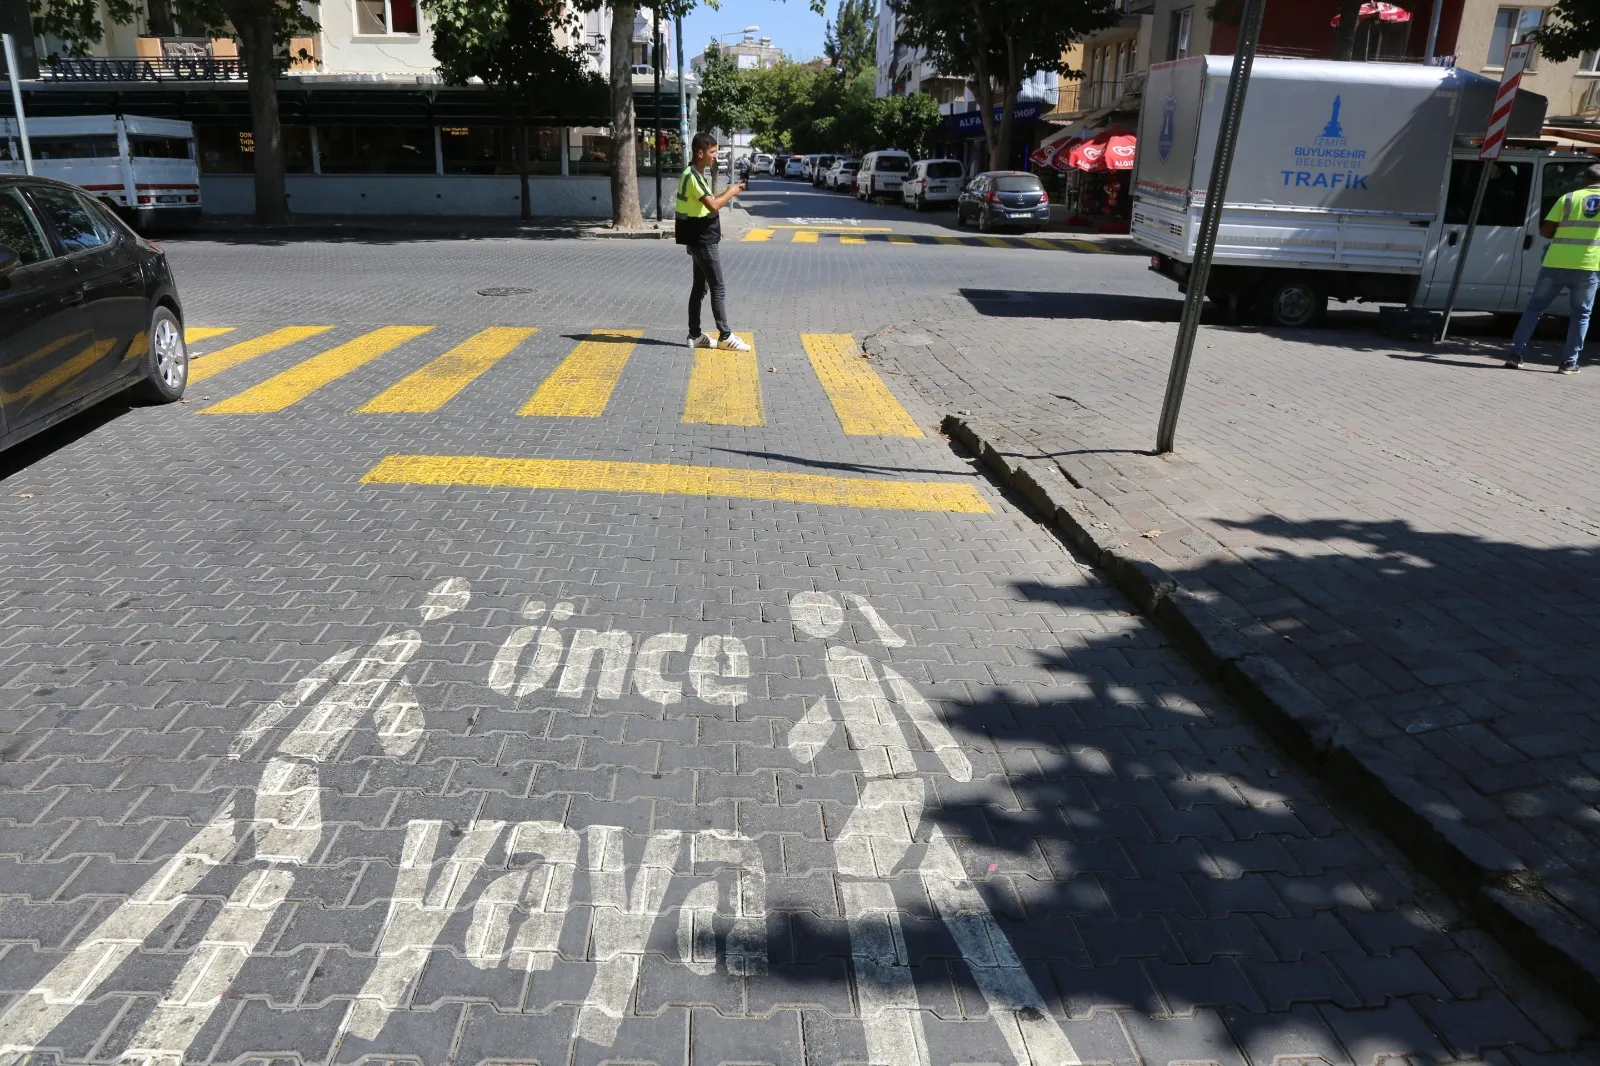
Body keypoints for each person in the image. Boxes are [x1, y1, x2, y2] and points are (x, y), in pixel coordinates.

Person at [1506, 163, 1600, 374]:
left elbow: (1546, 230)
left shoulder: (1567, 198)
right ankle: (1568, 362)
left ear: (1585, 179)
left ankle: (1515, 354)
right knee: (1581, 314)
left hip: (1555, 263)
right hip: (1589, 266)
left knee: (1534, 308)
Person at [675, 132, 751, 351]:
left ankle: (695, 335)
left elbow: (707, 200)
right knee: (717, 287)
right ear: (700, 153)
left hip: (696, 237)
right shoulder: (693, 176)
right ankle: (726, 336)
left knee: (700, 288)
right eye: (713, 152)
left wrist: (726, 192)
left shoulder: (695, 174)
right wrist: (732, 192)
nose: (715, 156)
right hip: (703, 239)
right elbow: (714, 206)